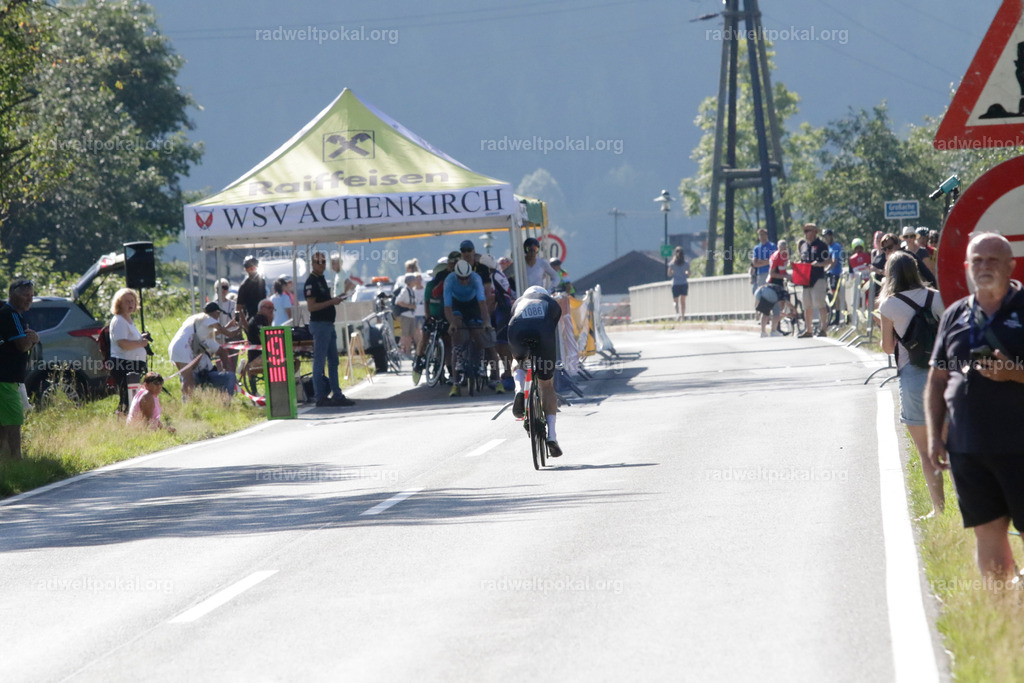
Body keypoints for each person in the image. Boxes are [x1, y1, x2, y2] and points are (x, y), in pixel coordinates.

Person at [926, 232, 1024, 585]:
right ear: (967, 267)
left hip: (1019, 447)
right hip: (969, 448)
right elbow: (937, 381)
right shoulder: (954, 314)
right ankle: (1001, 617)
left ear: (1011, 265)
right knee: (988, 535)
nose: (983, 267)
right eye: (977, 261)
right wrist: (936, 436)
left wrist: (1015, 373)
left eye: (992, 260)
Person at [879, 251, 945, 517]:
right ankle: (968, 509)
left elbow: (886, 347)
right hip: (945, 375)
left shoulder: (889, 305)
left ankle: (938, 510)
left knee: (926, 450)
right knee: (954, 446)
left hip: (914, 376)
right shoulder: (938, 296)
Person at [508, 286, 565, 458]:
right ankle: (552, 436)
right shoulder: (551, 303)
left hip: (517, 329)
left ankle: (519, 389)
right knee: (546, 385)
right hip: (543, 332)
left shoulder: (518, 302)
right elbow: (554, 331)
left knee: (517, 361)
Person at [304, 250, 355, 408]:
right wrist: (332, 302)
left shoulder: (321, 279)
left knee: (334, 361)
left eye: (323, 262)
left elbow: (325, 301)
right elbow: (312, 307)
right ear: (312, 264)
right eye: (318, 262)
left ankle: (337, 394)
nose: (321, 265)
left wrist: (338, 297)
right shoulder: (311, 281)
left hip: (328, 323)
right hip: (320, 324)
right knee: (320, 361)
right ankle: (320, 396)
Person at [0, 279, 39, 461]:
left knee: (3, 422)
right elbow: (22, 345)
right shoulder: (11, 314)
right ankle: (16, 460)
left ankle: (5, 461)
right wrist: (33, 339)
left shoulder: (11, 313)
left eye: (31, 295)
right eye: (25, 295)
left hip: (8, 378)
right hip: (6, 379)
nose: (29, 299)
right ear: (13, 294)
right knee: (14, 421)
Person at [443, 258, 492, 397]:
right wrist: (452, 323)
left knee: (479, 331)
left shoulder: (476, 279)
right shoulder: (449, 280)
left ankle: (480, 362)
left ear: (470, 274)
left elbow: (482, 304)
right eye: (461, 278)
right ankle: (456, 383)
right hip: (457, 304)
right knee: (456, 334)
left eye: (466, 278)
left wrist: (486, 322)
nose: (464, 281)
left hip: (473, 304)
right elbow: (447, 307)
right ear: (456, 275)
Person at [167, 302, 237, 398]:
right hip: (183, 347)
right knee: (188, 378)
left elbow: (210, 334)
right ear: (215, 312)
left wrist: (227, 328)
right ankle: (187, 402)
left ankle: (188, 401)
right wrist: (231, 334)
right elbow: (219, 328)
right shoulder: (206, 318)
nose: (218, 317)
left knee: (187, 377)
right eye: (218, 314)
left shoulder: (196, 320)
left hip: (176, 346)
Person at [109, 288, 151, 415]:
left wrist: (141, 339)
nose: (130, 304)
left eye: (132, 301)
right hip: (124, 364)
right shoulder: (119, 321)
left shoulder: (128, 320)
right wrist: (141, 343)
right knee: (126, 398)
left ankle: (129, 421)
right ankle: (122, 422)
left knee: (131, 397)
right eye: (126, 301)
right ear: (119, 304)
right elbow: (122, 344)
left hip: (132, 364)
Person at [798, 223, 833, 337]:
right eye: (805, 231)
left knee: (820, 303)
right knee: (806, 305)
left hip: (818, 277)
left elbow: (829, 261)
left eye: (808, 231)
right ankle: (809, 330)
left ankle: (823, 328)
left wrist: (819, 264)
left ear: (814, 232)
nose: (806, 233)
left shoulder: (821, 245)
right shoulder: (803, 246)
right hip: (805, 279)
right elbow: (803, 260)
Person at [822, 229, 845, 325]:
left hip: (836, 274)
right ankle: (837, 316)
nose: (825, 238)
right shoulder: (828, 247)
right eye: (824, 237)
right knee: (834, 296)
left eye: (827, 236)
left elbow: (834, 261)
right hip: (831, 274)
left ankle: (841, 317)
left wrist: (826, 270)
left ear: (831, 236)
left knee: (838, 296)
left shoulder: (836, 246)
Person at [394, 272, 419, 355]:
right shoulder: (405, 291)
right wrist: (409, 306)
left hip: (411, 315)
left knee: (410, 335)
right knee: (406, 335)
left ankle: (407, 351)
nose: (416, 281)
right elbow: (398, 301)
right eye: (414, 280)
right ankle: (405, 351)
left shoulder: (412, 290)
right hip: (406, 316)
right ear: (410, 281)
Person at [236, 255, 266, 325]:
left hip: (263, 318)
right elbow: (238, 308)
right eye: (250, 267)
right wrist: (245, 325)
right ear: (246, 269)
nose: (253, 268)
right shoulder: (244, 286)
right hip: (250, 319)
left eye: (255, 266)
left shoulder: (262, 282)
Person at [751, 228, 776, 293]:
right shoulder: (757, 248)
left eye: (763, 234)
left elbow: (773, 261)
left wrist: (760, 261)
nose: (762, 236)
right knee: (762, 293)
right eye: (760, 235)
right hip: (761, 274)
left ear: (766, 235)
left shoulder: (772, 246)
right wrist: (767, 261)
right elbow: (755, 263)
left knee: (771, 292)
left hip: (771, 273)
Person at [667, 246, 689, 322]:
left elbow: (669, 274)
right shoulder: (686, 263)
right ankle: (683, 317)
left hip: (675, 284)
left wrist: (673, 273)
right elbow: (689, 273)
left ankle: (677, 313)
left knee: (675, 301)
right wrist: (685, 274)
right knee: (683, 302)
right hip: (684, 283)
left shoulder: (672, 264)